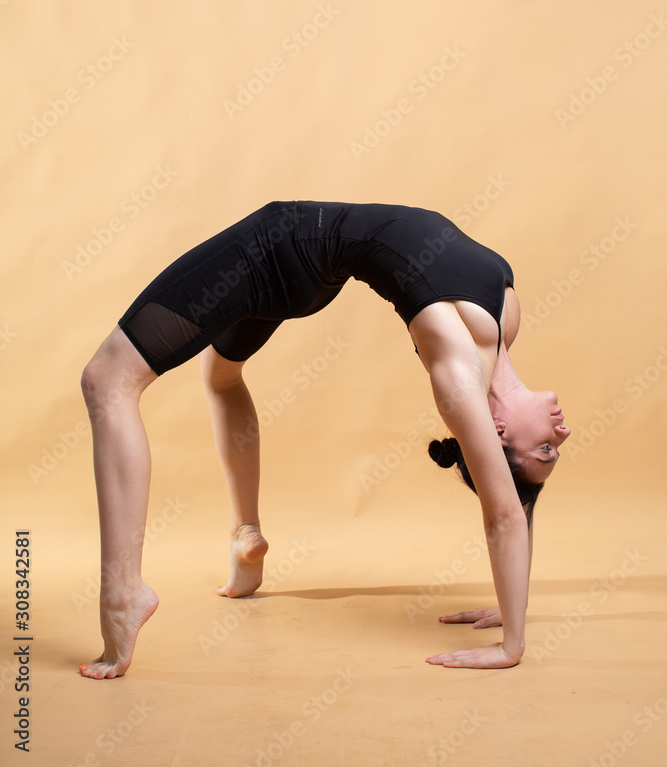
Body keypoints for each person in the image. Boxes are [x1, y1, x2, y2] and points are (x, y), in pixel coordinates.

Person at [78, 199, 570, 678]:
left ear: (497, 431)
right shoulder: (503, 325)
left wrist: (512, 645)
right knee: (221, 379)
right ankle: (244, 536)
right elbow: (515, 502)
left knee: (107, 379)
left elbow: (503, 509)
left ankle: (122, 594)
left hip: (281, 245)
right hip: (305, 270)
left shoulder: (460, 373)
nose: (563, 432)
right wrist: (511, 606)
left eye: (546, 448)